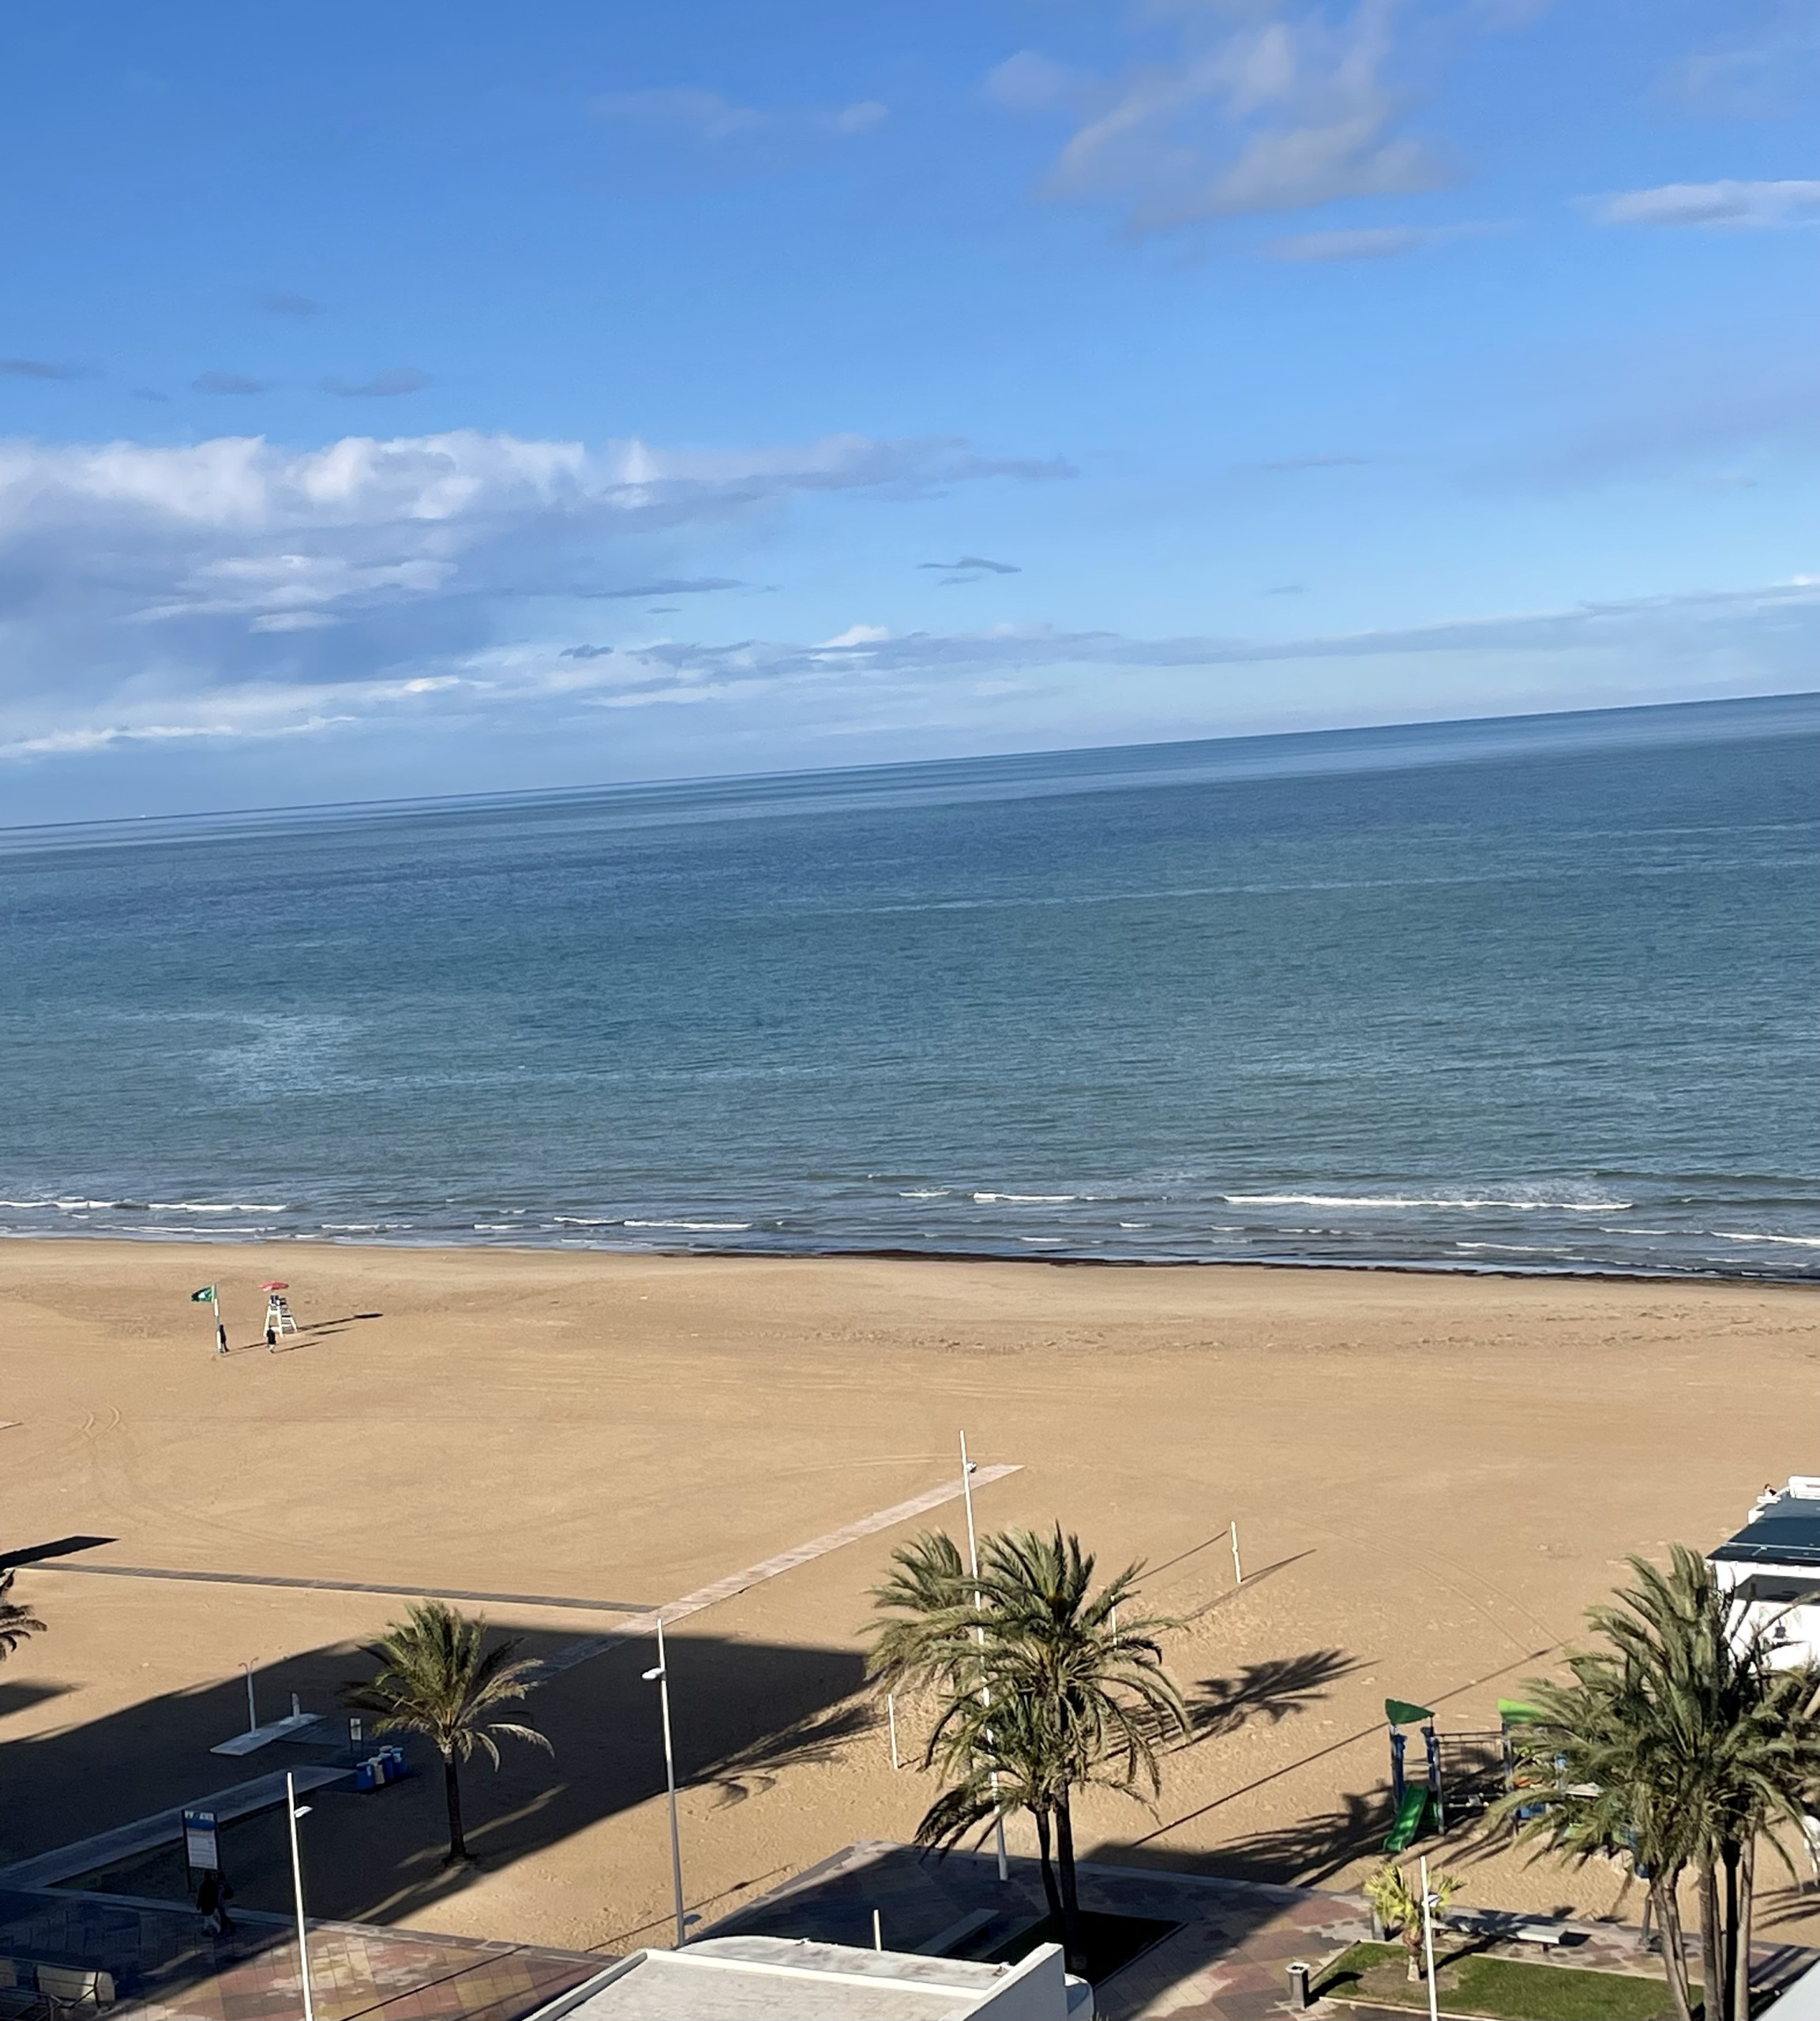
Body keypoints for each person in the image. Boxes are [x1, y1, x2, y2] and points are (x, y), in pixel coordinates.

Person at [197, 1868, 235, 1937]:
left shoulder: (219, 1885)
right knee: (222, 1915)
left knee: (221, 1916)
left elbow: (218, 1895)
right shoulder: (220, 1884)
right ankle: (228, 1926)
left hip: (220, 1903)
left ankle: (223, 1928)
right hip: (221, 1903)